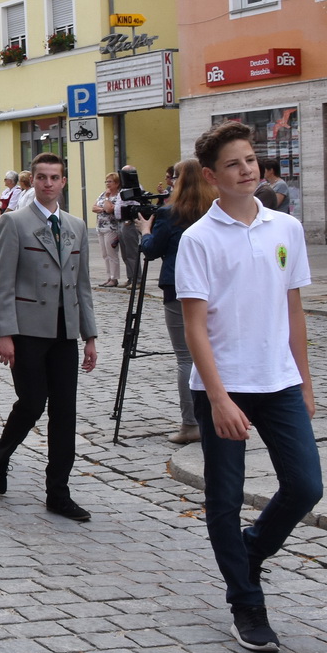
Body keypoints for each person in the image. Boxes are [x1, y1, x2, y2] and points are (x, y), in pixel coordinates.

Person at [177, 121, 317, 653]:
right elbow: (194, 325)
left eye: (252, 159)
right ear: (212, 177)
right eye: (234, 164)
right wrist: (217, 398)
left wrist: (304, 381)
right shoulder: (198, 239)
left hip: (278, 380)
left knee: (306, 486)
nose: (248, 169)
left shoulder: (286, 228)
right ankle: (246, 602)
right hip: (224, 384)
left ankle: (250, 549)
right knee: (225, 498)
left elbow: (294, 310)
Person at [0, 152, 98, 521]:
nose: (48, 183)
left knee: (65, 412)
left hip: (64, 332)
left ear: (63, 182)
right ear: (32, 181)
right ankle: (1, 450)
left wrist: (89, 336)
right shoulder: (13, 222)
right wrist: (5, 333)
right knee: (33, 402)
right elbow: (1, 282)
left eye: (55, 177)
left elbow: (82, 285)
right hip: (28, 330)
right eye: (42, 177)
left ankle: (58, 493)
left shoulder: (77, 226)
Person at [137, 158, 211, 446]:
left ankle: (191, 423)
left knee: (185, 356)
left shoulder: (170, 212)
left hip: (179, 286)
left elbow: (152, 250)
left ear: (177, 180)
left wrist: (145, 231)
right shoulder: (213, 208)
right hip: (212, 286)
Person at [93, 173, 123, 287]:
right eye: (106, 182)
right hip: (100, 227)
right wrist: (103, 209)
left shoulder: (117, 196)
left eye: (110, 182)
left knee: (112, 253)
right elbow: (93, 207)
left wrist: (106, 199)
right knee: (104, 254)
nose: (107, 184)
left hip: (111, 228)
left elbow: (109, 209)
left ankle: (114, 278)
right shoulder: (102, 194)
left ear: (117, 183)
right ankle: (108, 276)